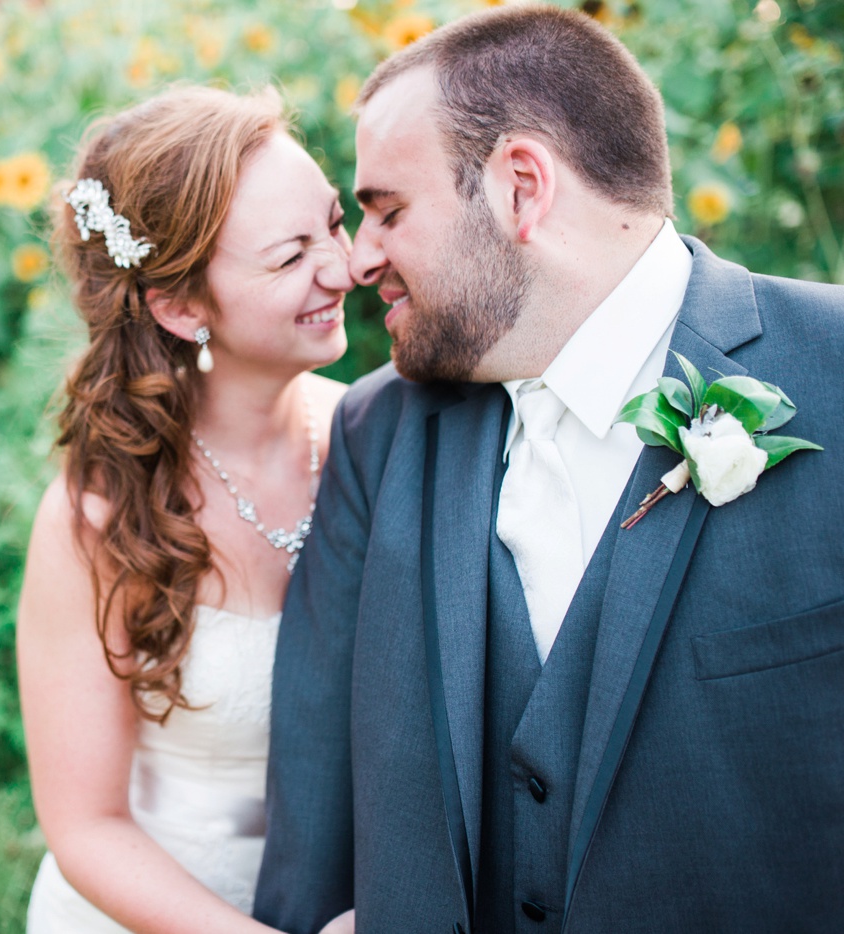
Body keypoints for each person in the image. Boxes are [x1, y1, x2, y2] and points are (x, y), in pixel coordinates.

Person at [255, 6, 844, 934]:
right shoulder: (376, 433)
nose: (359, 259)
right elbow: (316, 821)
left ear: (521, 188)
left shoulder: (835, 370)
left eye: (389, 211)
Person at [17, 85, 357, 934]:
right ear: (180, 307)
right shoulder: (98, 516)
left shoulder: (378, 435)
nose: (344, 268)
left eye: (337, 223)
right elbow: (84, 827)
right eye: (289, 257)